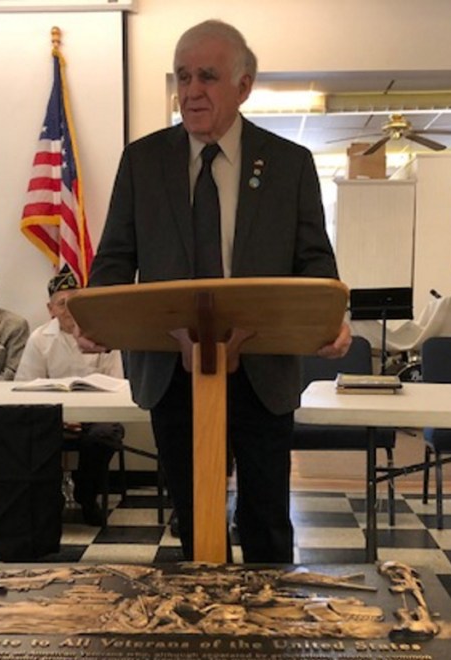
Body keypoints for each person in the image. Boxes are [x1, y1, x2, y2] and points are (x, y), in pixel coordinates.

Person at [82, 19, 350, 563]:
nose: (191, 90)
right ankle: (205, 633)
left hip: (262, 371)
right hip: (171, 369)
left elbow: (315, 263)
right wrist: (98, 318)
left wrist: (329, 319)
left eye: (207, 76)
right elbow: (114, 258)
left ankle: (269, 639)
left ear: (244, 86)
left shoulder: (289, 165)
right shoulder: (143, 161)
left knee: (267, 521)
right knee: (194, 519)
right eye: (182, 77)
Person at [16, 267, 125, 525]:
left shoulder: (102, 334)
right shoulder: (39, 339)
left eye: (74, 302)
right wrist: (60, 418)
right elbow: (25, 386)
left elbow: (116, 384)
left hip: (98, 416)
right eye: (62, 304)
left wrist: (87, 415)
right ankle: (50, 499)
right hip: (53, 415)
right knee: (34, 433)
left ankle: (86, 495)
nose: (68, 310)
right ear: (50, 309)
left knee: (106, 434)